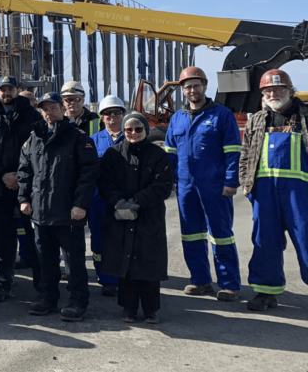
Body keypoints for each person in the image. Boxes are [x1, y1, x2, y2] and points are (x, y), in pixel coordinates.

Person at [18, 92, 99, 321]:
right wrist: (24, 199)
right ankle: (47, 298)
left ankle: (77, 302)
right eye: (45, 108)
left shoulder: (77, 137)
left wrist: (80, 204)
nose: (49, 112)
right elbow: (25, 172)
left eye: (53, 108)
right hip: (40, 212)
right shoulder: (34, 138)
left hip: (68, 212)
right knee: (45, 260)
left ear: (62, 109)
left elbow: (89, 173)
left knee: (73, 261)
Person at [164, 66, 243, 301]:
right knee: (191, 235)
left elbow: (232, 152)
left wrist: (231, 181)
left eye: (196, 85)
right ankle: (200, 280)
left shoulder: (221, 115)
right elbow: (170, 153)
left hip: (215, 186)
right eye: (187, 86)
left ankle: (229, 284)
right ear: (182, 90)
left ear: (205, 87)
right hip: (186, 187)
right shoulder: (177, 117)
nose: (192, 90)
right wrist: (168, 182)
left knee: (221, 235)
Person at [239, 69, 308, 311]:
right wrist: (247, 186)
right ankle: (265, 292)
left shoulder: (305, 116)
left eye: (279, 89)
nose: (273, 94)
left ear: (290, 91)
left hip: (300, 195)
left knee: (307, 242)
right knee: (264, 241)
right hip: (265, 193)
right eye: (268, 90)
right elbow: (246, 154)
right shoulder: (257, 119)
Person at [99, 113, 174, 324]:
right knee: (126, 264)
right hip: (120, 215)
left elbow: (163, 185)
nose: (133, 133)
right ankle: (128, 308)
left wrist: (138, 201)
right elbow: (105, 181)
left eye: (138, 129)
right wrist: (118, 202)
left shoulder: (158, 155)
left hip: (148, 216)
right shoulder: (113, 155)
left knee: (149, 262)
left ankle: (151, 310)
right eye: (128, 130)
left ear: (146, 131)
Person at [0, 75, 42, 302]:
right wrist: (3, 174)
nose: (6, 93)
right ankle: (1, 285)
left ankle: (44, 286)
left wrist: (20, 178)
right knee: (2, 238)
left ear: (16, 90)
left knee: (35, 239)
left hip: (28, 188)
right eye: (2, 89)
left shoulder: (33, 117)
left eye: (10, 89)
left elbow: (40, 153)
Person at [90, 95, 127, 297]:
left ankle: (124, 275)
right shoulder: (93, 141)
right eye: (107, 113)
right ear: (101, 118)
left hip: (125, 199)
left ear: (123, 115)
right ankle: (106, 278)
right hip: (99, 200)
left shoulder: (131, 137)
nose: (112, 117)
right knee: (99, 239)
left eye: (116, 112)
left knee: (123, 238)